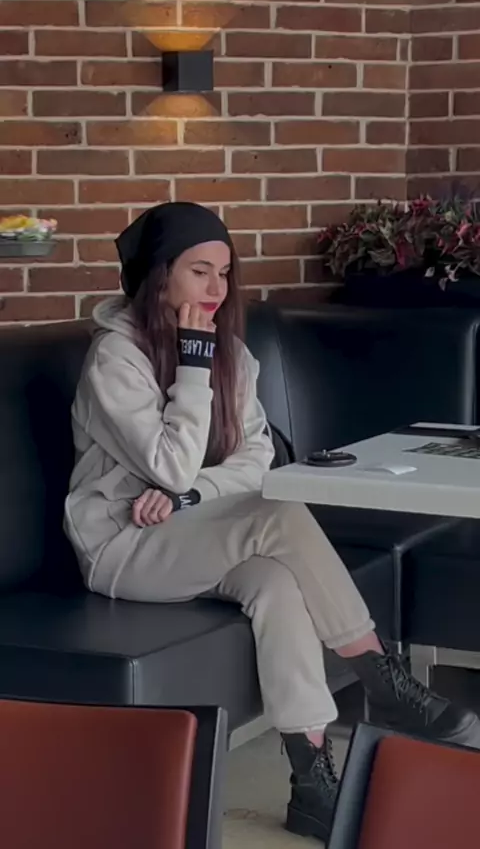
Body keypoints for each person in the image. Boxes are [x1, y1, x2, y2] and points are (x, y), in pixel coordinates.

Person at [65, 201, 480, 843]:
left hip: (189, 530)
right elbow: (170, 463)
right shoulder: (115, 360)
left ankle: (311, 783)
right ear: (158, 275)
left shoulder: (231, 352)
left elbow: (255, 461)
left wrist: (189, 497)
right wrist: (194, 365)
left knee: (277, 583)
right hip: (122, 546)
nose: (216, 287)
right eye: (199, 271)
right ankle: (380, 675)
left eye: (224, 271)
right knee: (279, 513)